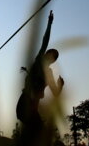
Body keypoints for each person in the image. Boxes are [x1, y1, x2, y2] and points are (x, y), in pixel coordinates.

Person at [16, 11, 64, 145]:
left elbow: (55, 94)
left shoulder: (49, 74)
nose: (49, 56)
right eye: (49, 53)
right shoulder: (38, 62)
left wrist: (60, 86)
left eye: (53, 57)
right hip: (25, 105)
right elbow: (45, 41)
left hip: (33, 109)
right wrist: (49, 23)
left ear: (53, 61)